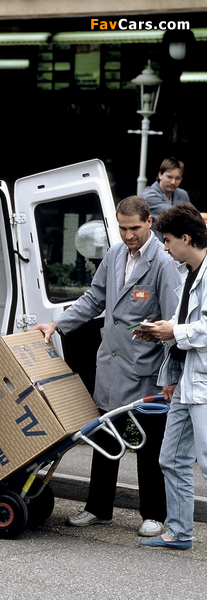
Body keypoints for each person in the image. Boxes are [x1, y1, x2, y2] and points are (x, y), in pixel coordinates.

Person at [31, 195, 180, 536]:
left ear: (149, 224)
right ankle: (98, 507)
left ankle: (155, 513)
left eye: (135, 229)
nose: (128, 235)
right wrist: (58, 324)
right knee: (105, 437)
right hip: (111, 364)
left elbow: (173, 323)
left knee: (147, 444)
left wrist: (170, 375)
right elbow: (93, 298)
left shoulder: (163, 262)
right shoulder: (114, 255)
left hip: (145, 370)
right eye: (123, 228)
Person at [135, 203, 207, 550]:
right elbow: (183, 330)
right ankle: (179, 532)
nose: (164, 247)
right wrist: (161, 334)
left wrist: (173, 330)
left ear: (185, 237)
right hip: (185, 381)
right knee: (172, 459)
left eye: (167, 240)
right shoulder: (187, 273)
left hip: (204, 385)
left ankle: (179, 531)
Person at [141, 157, 189, 238]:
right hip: (155, 246)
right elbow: (173, 215)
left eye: (177, 178)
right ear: (160, 175)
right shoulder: (148, 195)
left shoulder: (182, 194)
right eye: (169, 177)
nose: (173, 182)